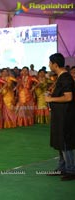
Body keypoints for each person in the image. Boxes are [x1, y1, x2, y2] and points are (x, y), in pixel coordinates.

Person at [45, 53, 75, 181]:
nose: (49, 65)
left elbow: (68, 97)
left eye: (50, 63)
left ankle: (71, 170)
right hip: (59, 116)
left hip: (65, 116)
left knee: (65, 142)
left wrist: (51, 98)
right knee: (60, 142)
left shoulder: (66, 78)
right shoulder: (60, 77)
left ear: (55, 64)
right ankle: (62, 168)